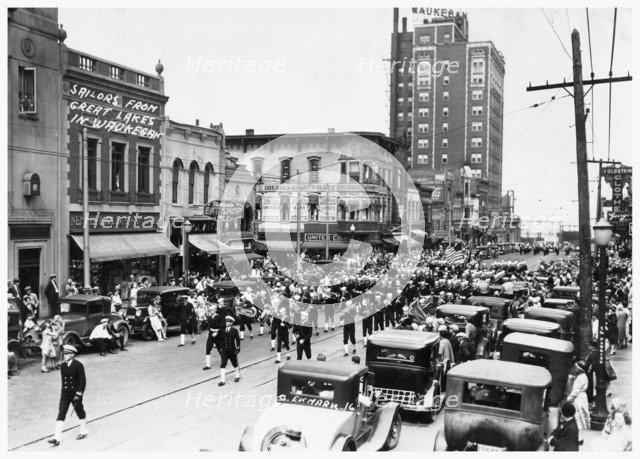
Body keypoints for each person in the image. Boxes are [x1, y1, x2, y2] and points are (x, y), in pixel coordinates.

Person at [47, 344, 88, 446]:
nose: (65, 355)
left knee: (80, 412)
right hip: (65, 394)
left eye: (67, 354)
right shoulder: (63, 366)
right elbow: (63, 382)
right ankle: (56, 438)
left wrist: (79, 393)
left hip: (76, 394)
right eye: (64, 354)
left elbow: (82, 381)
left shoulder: (78, 365)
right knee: (61, 414)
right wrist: (63, 394)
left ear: (72, 354)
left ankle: (83, 431)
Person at [566, 361, 590, 444]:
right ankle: (579, 437)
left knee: (577, 417)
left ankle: (579, 438)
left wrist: (569, 398)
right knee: (579, 417)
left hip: (578, 398)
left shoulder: (580, 378)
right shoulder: (582, 376)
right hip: (582, 397)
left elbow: (576, 391)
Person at [217, 316, 241, 386]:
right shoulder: (223, 330)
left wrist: (238, 349)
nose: (226, 323)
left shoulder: (234, 330)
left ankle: (237, 375)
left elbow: (237, 340)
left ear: (231, 323)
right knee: (223, 364)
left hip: (232, 350)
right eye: (226, 322)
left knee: (234, 363)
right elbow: (219, 339)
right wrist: (220, 347)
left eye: (228, 322)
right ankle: (222, 380)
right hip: (224, 351)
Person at [203, 304, 224, 370]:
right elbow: (208, 326)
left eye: (212, 310)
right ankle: (208, 365)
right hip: (211, 334)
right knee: (208, 348)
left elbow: (222, 327)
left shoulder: (219, 317)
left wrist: (217, 333)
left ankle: (223, 360)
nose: (211, 311)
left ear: (215, 310)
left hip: (217, 334)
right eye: (210, 310)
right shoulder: (209, 317)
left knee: (219, 347)